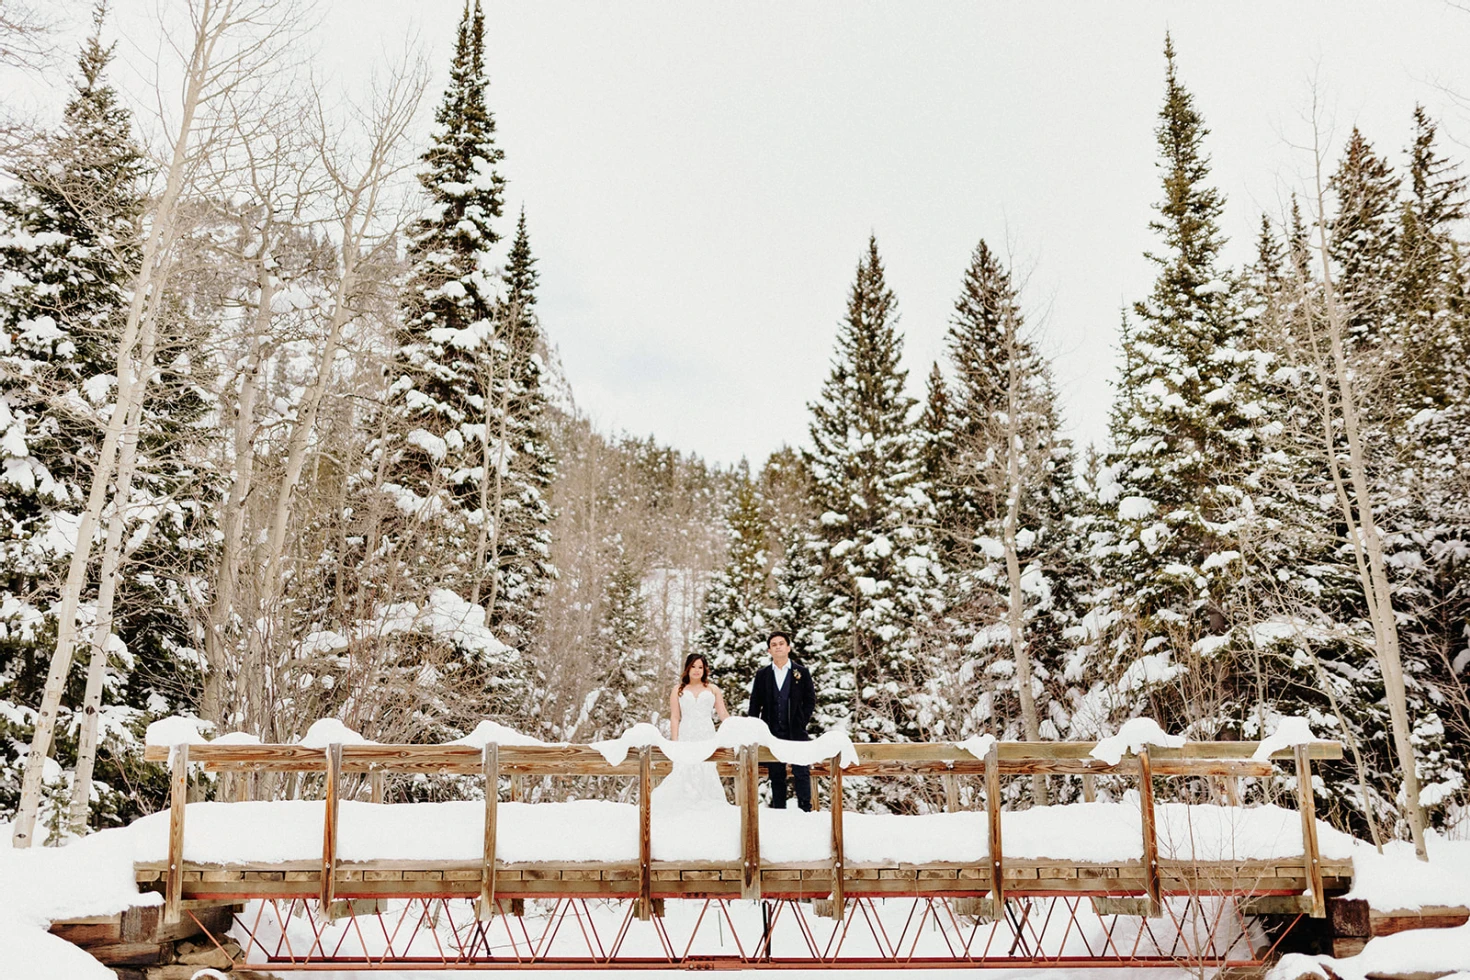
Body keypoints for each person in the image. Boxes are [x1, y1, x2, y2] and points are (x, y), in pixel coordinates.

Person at [747, 631, 816, 811]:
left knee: (801, 771)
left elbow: (810, 700)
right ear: (769, 650)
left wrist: (801, 720)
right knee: (776, 774)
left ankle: (805, 810)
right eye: (774, 644)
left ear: (788, 647)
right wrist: (755, 728)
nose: (778, 646)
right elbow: (755, 703)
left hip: (796, 732)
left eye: (781, 643)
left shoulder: (801, 672)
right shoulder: (763, 675)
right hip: (772, 732)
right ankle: (779, 811)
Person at [652, 653, 730, 809]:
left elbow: (723, 714)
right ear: (687, 668)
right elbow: (675, 717)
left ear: (705, 669)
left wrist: (734, 730)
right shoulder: (678, 689)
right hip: (686, 734)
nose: (696, 670)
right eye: (693, 666)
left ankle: (708, 808)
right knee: (684, 768)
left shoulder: (713, 689)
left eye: (700, 667)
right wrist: (675, 742)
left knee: (706, 768)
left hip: (706, 734)